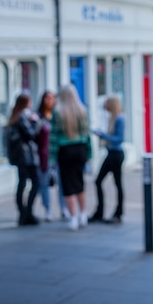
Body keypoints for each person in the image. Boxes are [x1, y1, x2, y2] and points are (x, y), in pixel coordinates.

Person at [50, 84, 92, 231]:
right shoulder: (82, 111)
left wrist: (51, 158)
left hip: (65, 150)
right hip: (80, 149)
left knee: (68, 185)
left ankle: (73, 217)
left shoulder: (58, 112)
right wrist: (89, 153)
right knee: (79, 182)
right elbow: (87, 135)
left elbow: (53, 138)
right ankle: (83, 214)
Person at [90, 95, 126, 224]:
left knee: (112, 183)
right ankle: (102, 212)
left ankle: (117, 213)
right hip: (111, 153)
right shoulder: (112, 118)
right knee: (101, 182)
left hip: (115, 155)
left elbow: (119, 139)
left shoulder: (120, 119)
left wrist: (103, 135)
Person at [7, 93, 40, 226]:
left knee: (22, 184)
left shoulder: (15, 117)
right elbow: (30, 135)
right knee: (33, 183)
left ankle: (24, 213)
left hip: (21, 157)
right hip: (26, 157)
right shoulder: (22, 118)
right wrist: (36, 122)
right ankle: (27, 213)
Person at [35, 90, 59, 222]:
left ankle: (64, 209)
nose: (50, 101)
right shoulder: (38, 117)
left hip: (57, 153)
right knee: (44, 183)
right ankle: (48, 209)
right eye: (47, 98)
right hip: (44, 155)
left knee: (61, 182)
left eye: (52, 98)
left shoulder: (57, 116)